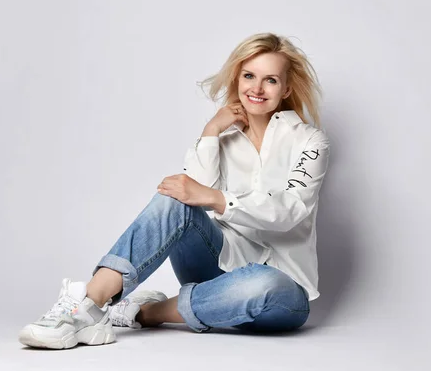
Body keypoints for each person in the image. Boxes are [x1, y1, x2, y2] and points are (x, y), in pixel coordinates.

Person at [18, 32, 331, 349]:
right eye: (249, 76)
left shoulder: (310, 142)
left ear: (287, 88)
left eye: (271, 80)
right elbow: (190, 196)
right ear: (237, 79)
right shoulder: (222, 139)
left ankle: (149, 312)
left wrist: (216, 199)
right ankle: (87, 305)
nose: (257, 88)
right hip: (215, 267)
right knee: (174, 198)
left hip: (281, 291)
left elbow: (290, 211)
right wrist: (210, 132)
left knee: (263, 284)